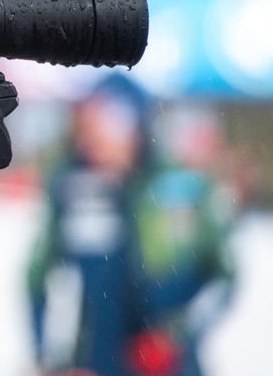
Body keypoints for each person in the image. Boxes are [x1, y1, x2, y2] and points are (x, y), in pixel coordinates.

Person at [27, 74, 234, 376]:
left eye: (108, 124)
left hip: (172, 365)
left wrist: (174, 334)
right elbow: (35, 276)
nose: (95, 138)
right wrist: (47, 357)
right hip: (97, 361)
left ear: (136, 126)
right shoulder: (72, 186)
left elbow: (223, 278)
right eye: (90, 124)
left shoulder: (182, 187)